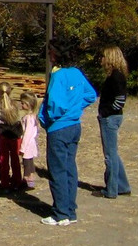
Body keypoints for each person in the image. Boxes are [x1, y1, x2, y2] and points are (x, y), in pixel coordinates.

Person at [39, 40, 96, 226]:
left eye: (50, 53)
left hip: (59, 127)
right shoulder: (77, 73)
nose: (48, 56)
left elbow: (55, 104)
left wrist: (50, 117)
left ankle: (60, 213)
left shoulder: (58, 75)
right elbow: (90, 95)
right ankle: (70, 210)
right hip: (74, 126)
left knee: (57, 170)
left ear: (55, 54)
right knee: (70, 168)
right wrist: (75, 108)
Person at [95, 46, 132, 199]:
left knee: (109, 156)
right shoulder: (115, 75)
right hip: (111, 117)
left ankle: (111, 190)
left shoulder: (116, 77)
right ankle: (122, 186)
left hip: (110, 118)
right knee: (113, 154)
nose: (101, 60)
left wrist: (106, 112)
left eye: (104, 56)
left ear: (110, 58)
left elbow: (120, 100)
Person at [0, 81, 25, 191]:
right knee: (15, 159)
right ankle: (17, 182)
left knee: (3, 159)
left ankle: (5, 184)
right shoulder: (16, 105)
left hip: (3, 135)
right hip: (15, 135)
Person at [18, 91, 40, 189]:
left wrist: (22, 147)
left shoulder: (29, 118)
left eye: (23, 103)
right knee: (30, 161)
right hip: (31, 143)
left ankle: (27, 179)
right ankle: (29, 177)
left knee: (26, 162)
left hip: (28, 144)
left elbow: (27, 134)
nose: (21, 105)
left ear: (28, 104)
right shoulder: (33, 116)